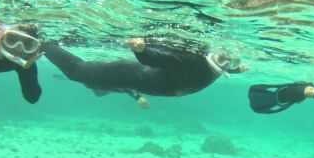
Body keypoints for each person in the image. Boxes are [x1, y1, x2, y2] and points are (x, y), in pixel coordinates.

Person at [43, 37, 247, 108]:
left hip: (137, 81)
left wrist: (236, 69)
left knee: (92, 82)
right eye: (223, 59)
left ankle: (95, 84)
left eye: (230, 62)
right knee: (76, 72)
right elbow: (163, 59)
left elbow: (220, 67)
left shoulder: (214, 69)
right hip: (129, 74)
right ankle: (43, 44)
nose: (226, 64)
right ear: (212, 55)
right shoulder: (194, 61)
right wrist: (141, 50)